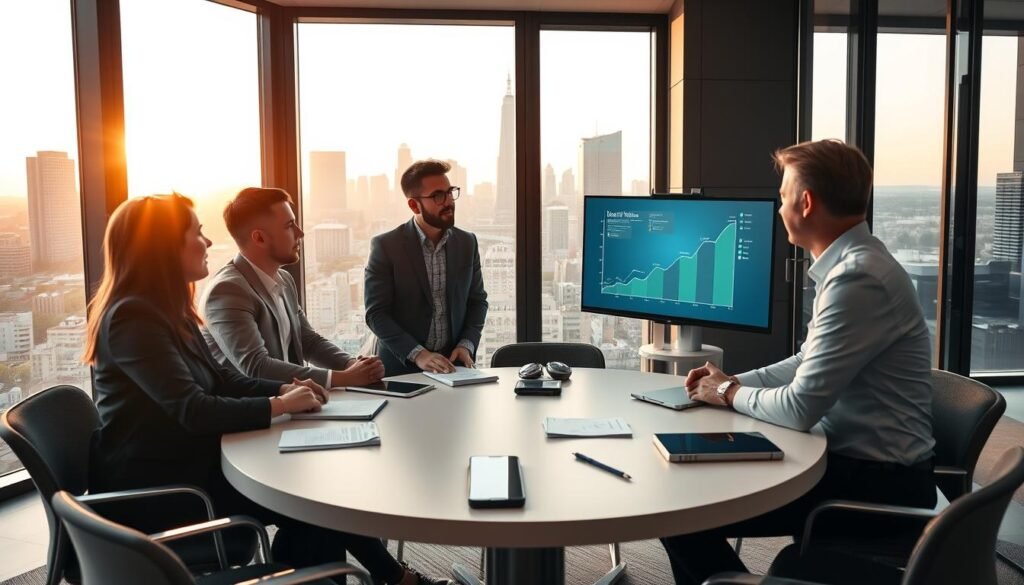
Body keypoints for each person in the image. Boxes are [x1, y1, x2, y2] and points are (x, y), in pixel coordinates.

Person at [84, 194, 452, 585]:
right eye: (198, 232)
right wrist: (278, 404)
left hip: (193, 463)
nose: (208, 242)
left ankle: (353, 576)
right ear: (161, 248)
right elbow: (193, 409)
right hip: (167, 490)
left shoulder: (168, 310)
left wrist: (295, 390)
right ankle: (375, 578)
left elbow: (224, 380)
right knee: (318, 500)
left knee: (318, 501)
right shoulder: (133, 318)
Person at [659, 140, 936, 585]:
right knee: (689, 496)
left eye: (784, 195)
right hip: (853, 462)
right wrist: (730, 382)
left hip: (877, 485)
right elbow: (806, 360)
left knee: (677, 513)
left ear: (806, 203)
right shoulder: (853, 265)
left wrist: (728, 394)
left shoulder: (857, 278)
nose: (779, 206)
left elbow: (800, 408)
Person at [200, 187, 384, 388]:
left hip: (294, 403)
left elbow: (308, 341)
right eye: (289, 226)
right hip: (252, 414)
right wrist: (342, 378)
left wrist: (355, 366)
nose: (300, 232)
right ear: (259, 238)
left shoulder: (284, 279)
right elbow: (256, 367)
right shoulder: (227, 291)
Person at [365, 160, 488, 376]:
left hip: (453, 368)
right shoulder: (386, 246)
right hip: (400, 369)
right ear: (414, 206)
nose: (449, 201)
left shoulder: (467, 242)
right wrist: (419, 354)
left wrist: (466, 344)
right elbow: (376, 314)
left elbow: (477, 302)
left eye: (450, 192)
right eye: (438, 196)